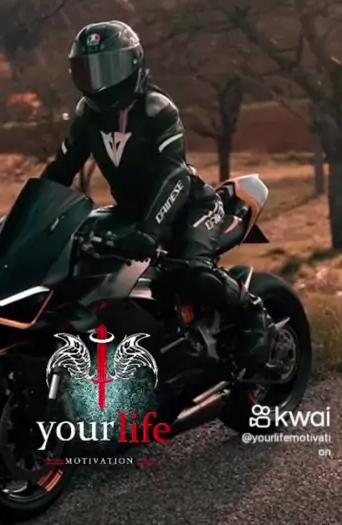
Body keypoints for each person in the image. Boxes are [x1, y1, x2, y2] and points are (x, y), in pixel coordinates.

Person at [41, 20, 275, 370]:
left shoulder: (156, 109)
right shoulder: (88, 113)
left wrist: (150, 231)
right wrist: (31, 221)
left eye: (108, 68)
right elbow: (61, 169)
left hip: (190, 205)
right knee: (82, 265)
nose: (99, 81)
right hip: (132, 211)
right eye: (88, 71)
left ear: (133, 63)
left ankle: (253, 314)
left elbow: (174, 174)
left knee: (191, 271)